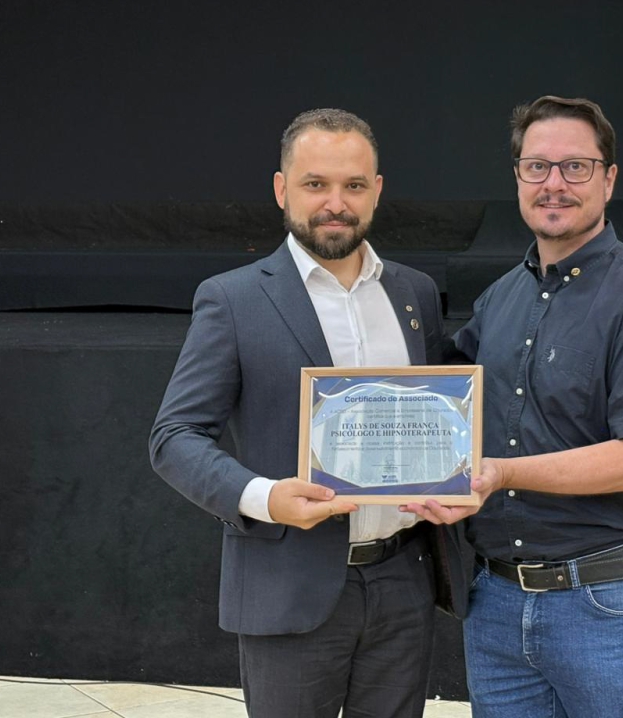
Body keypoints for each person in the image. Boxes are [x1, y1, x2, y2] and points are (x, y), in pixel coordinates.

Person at [149, 108, 469, 718]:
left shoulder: (415, 293)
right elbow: (175, 438)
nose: (335, 204)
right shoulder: (234, 298)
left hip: (404, 580)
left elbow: (435, 415)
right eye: (315, 184)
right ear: (281, 189)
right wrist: (266, 498)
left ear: (377, 190)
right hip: (288, 583)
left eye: (354, 185)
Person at [406, 95, 623, 718]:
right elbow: (439, 402)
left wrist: (501, 473)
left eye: (575, 167)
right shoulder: (501, 299)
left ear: (609, 180)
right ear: (518, 178)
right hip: (496, 603)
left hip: (604, 603)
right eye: (536, 166)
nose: (554, 183)